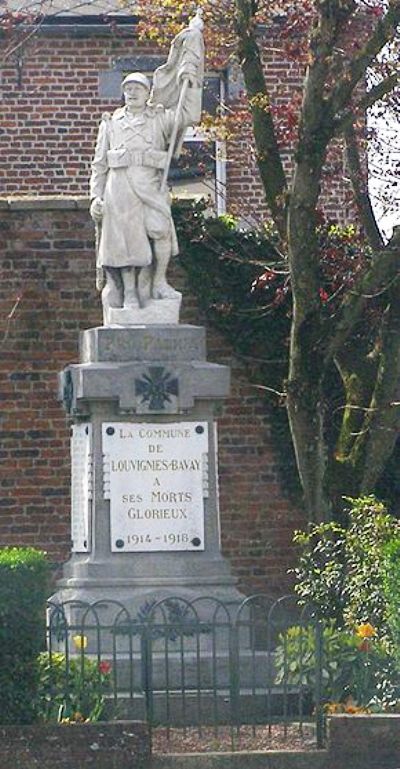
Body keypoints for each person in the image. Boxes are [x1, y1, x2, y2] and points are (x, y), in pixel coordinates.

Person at [89, 12, 204, 314]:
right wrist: (96, 197)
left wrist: (190, 80)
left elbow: (186, 117)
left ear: (146, 92)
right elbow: (99, 165)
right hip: (120, 189)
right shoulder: (110, 124)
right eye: (128, 90)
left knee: (161, 231)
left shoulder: (159, 118)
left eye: (138, 90)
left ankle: (159, 282)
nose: (132, 95)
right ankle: (129, 294)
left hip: (150, 185)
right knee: (125, 245)